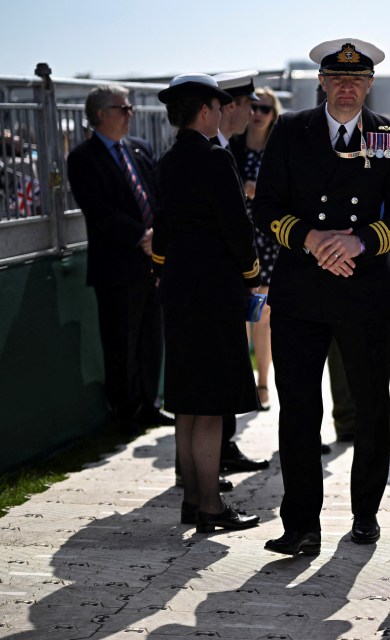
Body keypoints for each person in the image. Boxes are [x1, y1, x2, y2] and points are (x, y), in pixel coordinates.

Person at [252, 38, 390, 554]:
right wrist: (311, 239)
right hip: (302, 289)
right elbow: (266, 207)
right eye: (337, 78)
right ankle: (300, 524)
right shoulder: (290, 129)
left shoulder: (388, 134)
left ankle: (365, 514)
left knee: (370, 408)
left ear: (369, 85)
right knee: (299, 408)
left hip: (363, 288)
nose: (347, 87)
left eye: (357, 80)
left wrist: (358, 241)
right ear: (321, 82)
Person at [151, 74, 261, 533]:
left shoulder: (168, 161)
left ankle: (193, 500)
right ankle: (212, 507)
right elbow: (237, 228)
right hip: (214, 292)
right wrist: (253, 273)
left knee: (188, 402)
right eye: (218, 107)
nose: (222, 113)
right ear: (204, 112)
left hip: (177, 288)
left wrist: (163, 268)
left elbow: (161, 231)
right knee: (212, 404)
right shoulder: (216, 158)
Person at [67, 84, 172, 434]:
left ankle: (149, 405)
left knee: (151, 338)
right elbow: (98, 211)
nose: (130, 114)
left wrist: (157, 237)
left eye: (130, 109)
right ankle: (125, 412)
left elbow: (157, 197)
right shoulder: (83, 158)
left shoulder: (139, 149)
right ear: (101, 114)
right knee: (121, 341)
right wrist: (140, 237)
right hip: (117, 265)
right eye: (123, 109)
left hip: (151, 261)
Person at [206, 70, 271, 476]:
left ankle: (220, 449)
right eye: (249, 104)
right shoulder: (215, 152)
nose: (253, 112)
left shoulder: (222, 147)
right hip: (218, 280)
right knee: (216, 374)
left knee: (227, 366)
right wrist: (251, 273)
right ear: (230, 106)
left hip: (226, 278)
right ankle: (208, 464)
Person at [230, 86, 282, 410]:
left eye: (266, 108)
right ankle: (245, 383)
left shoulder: (278, 148)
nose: (259, 114)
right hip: (238, 237)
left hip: (270, 238)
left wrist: (258, 191)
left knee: (263, 316)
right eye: (255, 107)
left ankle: (262, 384)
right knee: (241, 315)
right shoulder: (232, 146)